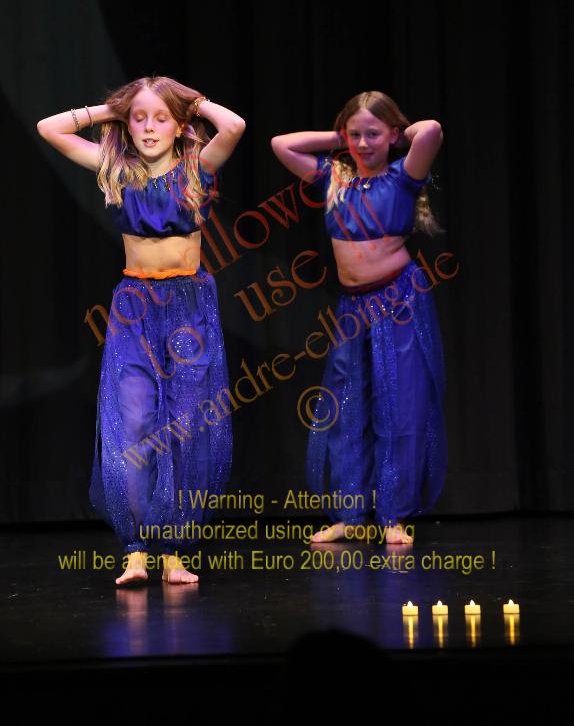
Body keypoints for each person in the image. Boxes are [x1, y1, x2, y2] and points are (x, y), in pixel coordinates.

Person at [37, 76, 245, 583]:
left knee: (185, 426)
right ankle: (135, 549)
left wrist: (191, 102)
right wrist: (109, 110)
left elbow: (234, 125)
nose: (149, 127)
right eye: (139, 118)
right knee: (132, 425)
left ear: (179, 126)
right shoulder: (117, 170)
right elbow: (49, 128)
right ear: (126, 125)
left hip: (189, 306)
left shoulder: (197, 168)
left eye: (161, 118)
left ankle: (173, 550)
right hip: (135, 308)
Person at [271, 91, 447, 544]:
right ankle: (350, 514)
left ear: (393, 134)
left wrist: (396, 136)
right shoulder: (334, 179)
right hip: (353, 307)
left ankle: (393, 516)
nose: (364, 143)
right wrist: (340, 139)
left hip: (398, 302)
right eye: (356, 135)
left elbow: (430, 131)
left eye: (373, 134)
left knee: (398, 406)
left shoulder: (403, 176)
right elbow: (280, 144)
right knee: (347, 407)